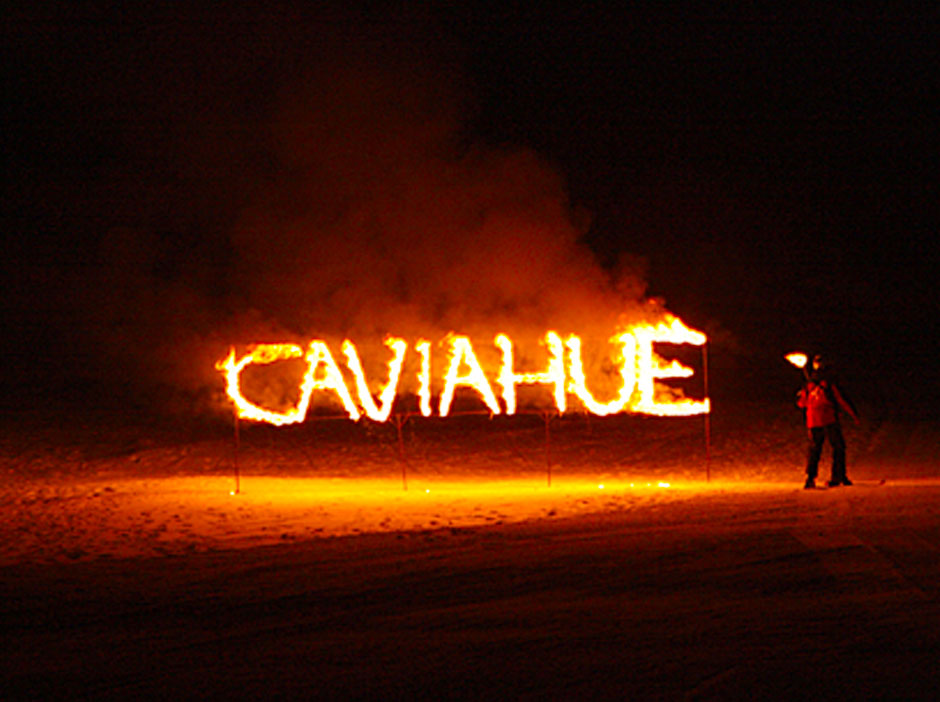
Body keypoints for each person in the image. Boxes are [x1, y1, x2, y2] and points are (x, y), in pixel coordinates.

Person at [797, 354, 860, 488]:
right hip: (829, 418)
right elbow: (841, 399)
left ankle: (810, 478)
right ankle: (838, 476)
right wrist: (854, 414)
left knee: (815, 449)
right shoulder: (830, 382)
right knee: (838, 447)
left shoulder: (809, 383)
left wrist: (802, 394)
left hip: (813, 420)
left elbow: (801, 404)